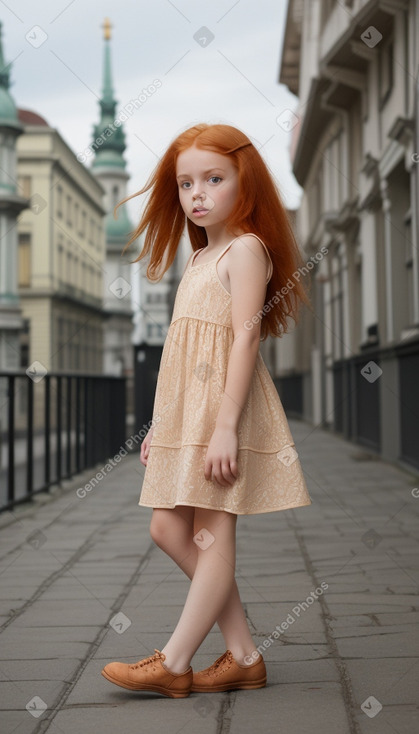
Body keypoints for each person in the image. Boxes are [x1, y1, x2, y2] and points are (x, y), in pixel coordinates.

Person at [101, 123, 313, 698]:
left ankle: (174, 662)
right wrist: (160, 426)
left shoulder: (246, 250)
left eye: (213, 179)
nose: (197, 193)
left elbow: (244, 341)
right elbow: (180, 353)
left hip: (225, 413)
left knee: (210, 535)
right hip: (187, 415)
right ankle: (243, 654)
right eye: (186, 183)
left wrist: (225, 426)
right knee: (169, 526)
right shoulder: (199, 258)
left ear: (245, 181)